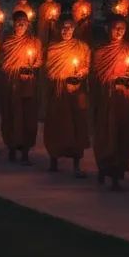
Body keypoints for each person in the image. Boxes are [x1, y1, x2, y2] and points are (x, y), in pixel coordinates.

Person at [91, 16, 129, 189]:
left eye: (122, 28)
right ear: (107, 29)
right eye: (115, 28)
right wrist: (114, 80)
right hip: (108, 98)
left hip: (126, 98)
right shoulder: (100, 52)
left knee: (124, 133)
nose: (119, 31)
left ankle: (117, 171)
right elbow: (98, 77)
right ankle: (106, 168)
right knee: (107, 133)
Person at [44, 18, 92, 177]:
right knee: (56, 124)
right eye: (63, 28)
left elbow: (86, 66)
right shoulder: (52, 48)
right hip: (58, 92)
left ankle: (76, 164)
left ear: (74, 29)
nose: (66, 31)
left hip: (76, 91)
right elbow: (49, 70)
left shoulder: (82, 47)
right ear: (59, 29)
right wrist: (60, 79)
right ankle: (53, 160)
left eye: (69, 28)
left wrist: (80, 74)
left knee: (76, 124)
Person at [0, 10, 42, 164]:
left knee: (27, 116)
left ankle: (25, 151)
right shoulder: (7, 41)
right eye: (18, 21)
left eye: (24, 21)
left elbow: (38, 61)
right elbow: (1, 61)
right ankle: (12, 147)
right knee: (11, 114)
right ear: (13, 23)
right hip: (9, 83)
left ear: (28, 24)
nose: (21, 24)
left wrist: (32, 68)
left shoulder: (35, 41)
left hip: (27, 83)